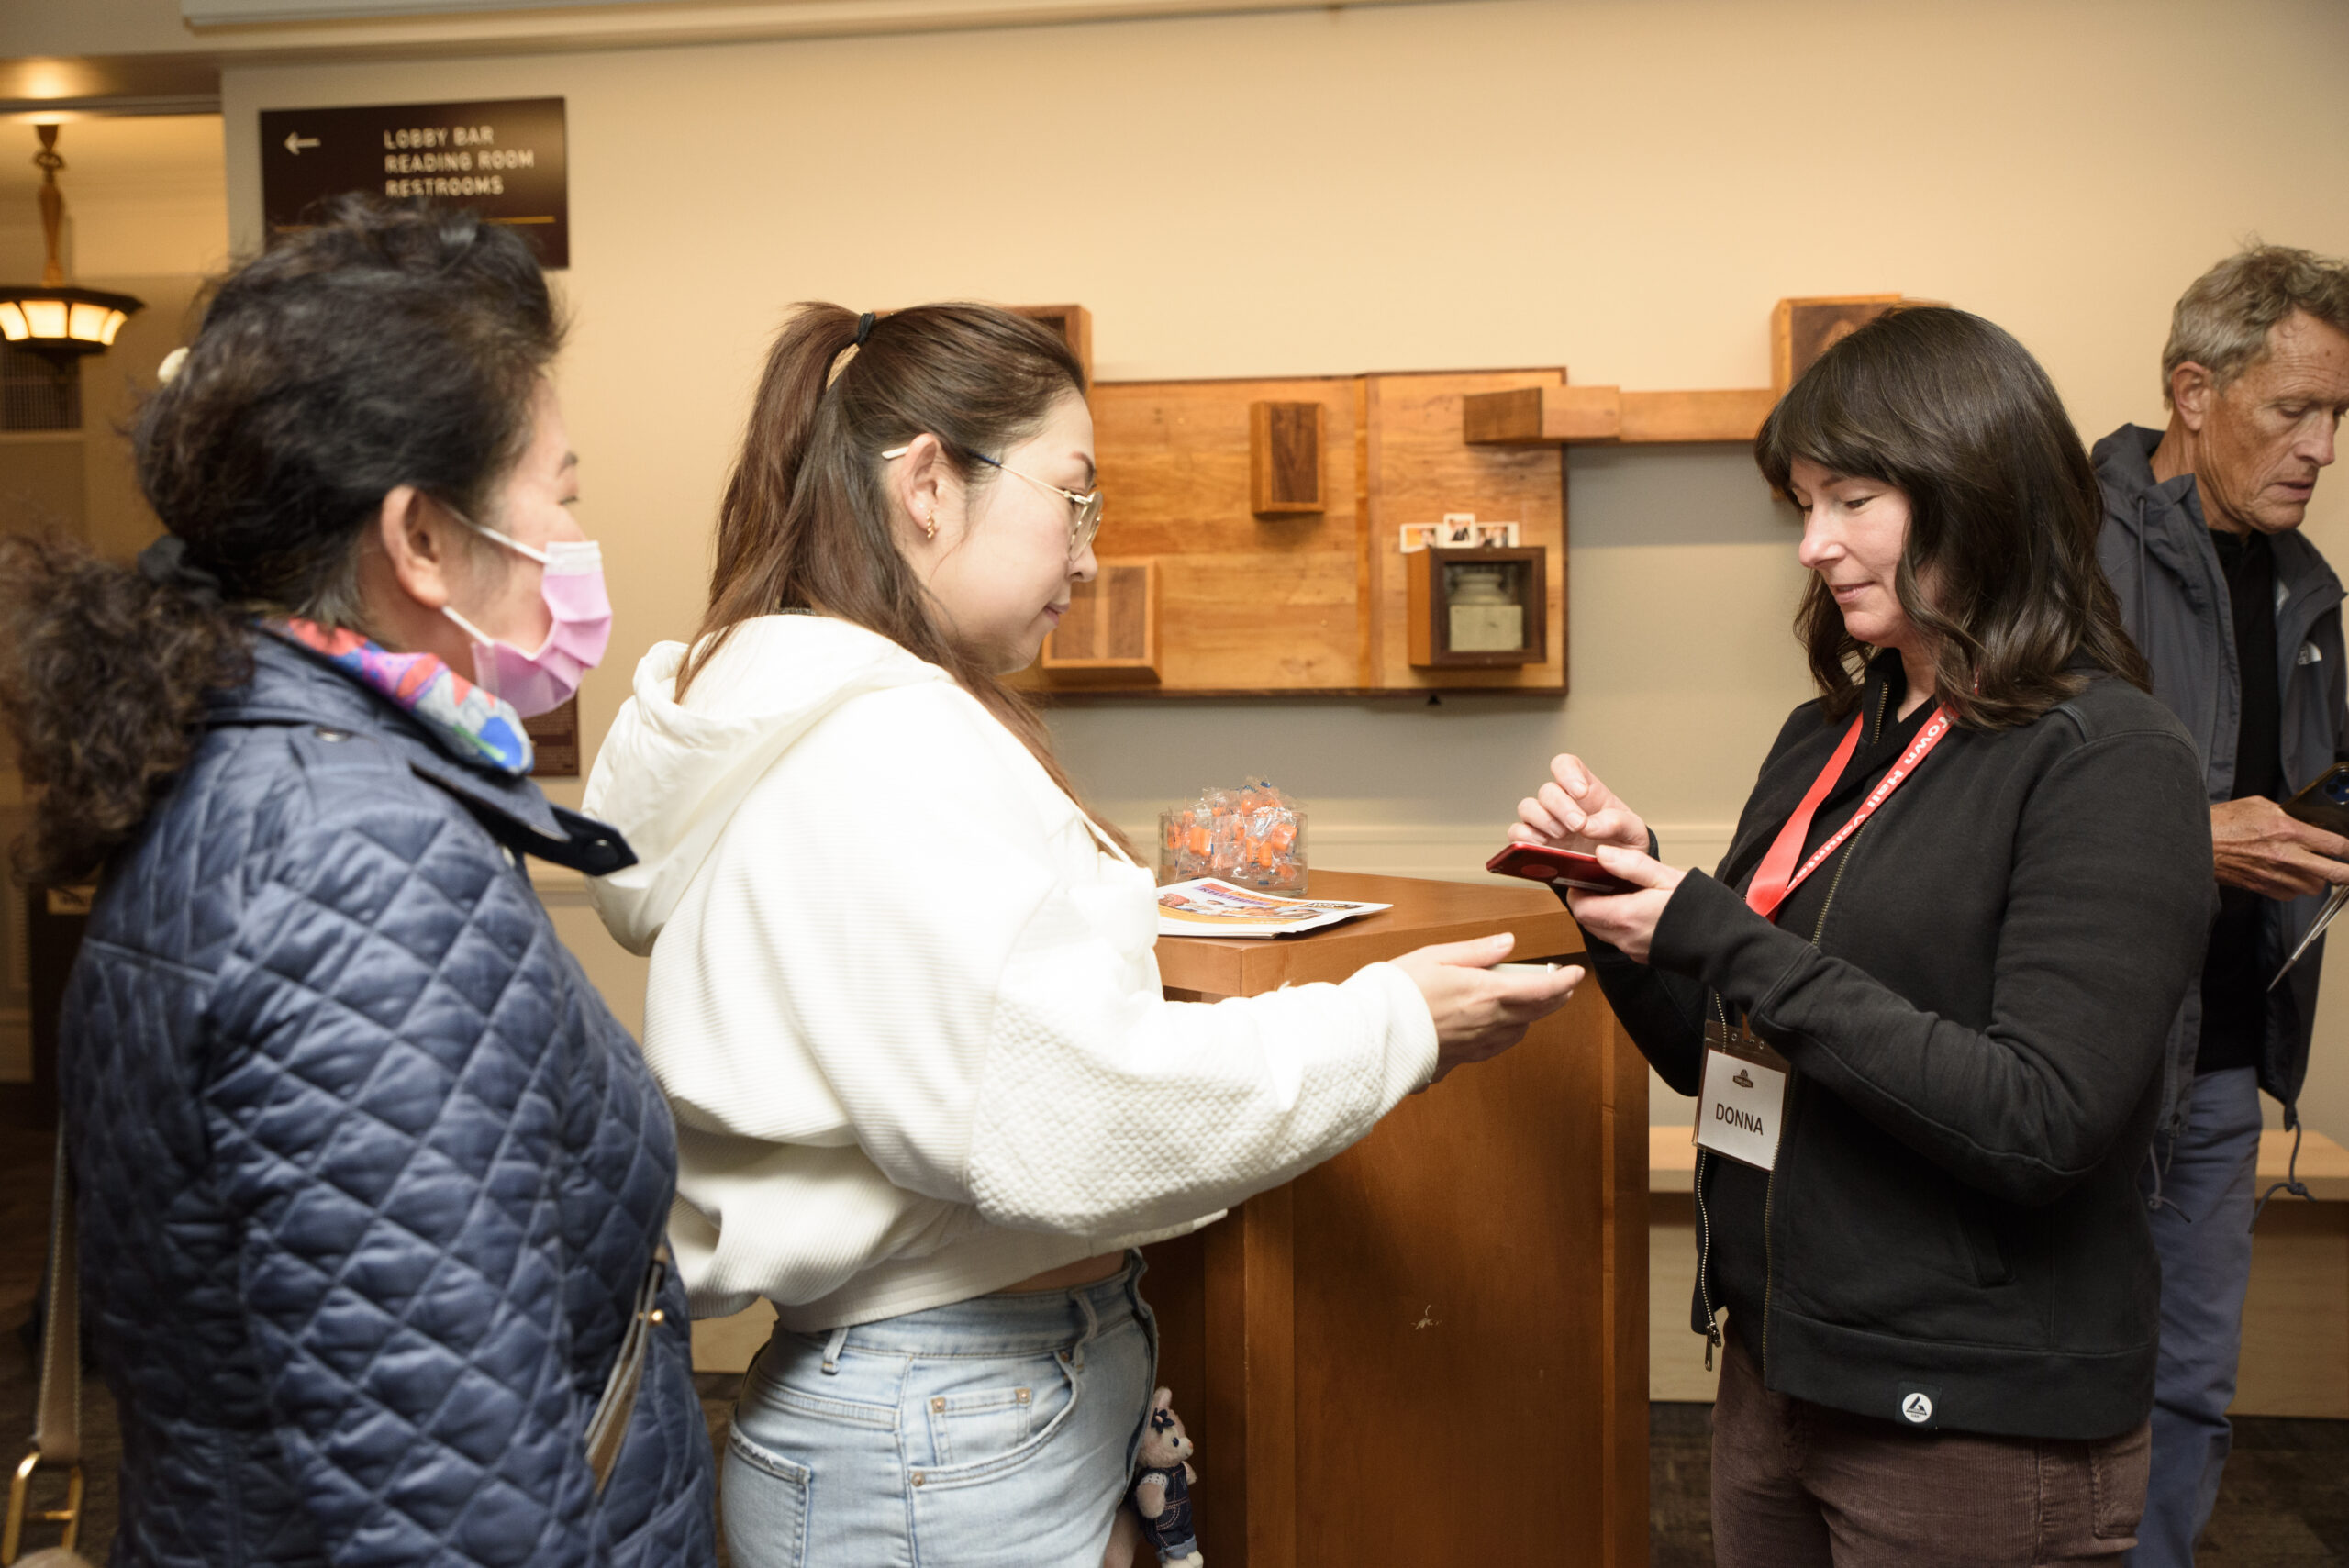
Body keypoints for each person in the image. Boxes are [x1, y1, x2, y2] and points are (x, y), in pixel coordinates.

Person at [581, 302, 1578, 1567]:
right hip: (944, 1418)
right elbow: (1071, 1113)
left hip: (945, 1405)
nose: (1088, 557)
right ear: (929, 484)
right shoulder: (885, 743)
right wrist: (1395, 1023)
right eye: (1075, 497)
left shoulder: (818, 715)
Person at [0, 199, 716, 1567]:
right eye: (559, 493)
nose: (575, 538)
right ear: (423, 542)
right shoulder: (358, 867)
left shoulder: (270, 774)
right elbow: (456, 1515)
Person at [1512, 307, 2215, 1566]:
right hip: (1782, 1379)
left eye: (1851, 499)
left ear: (1975, 490)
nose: (1812, 544)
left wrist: (1723, 934)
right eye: (1801, 502)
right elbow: (1715, 1053)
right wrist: (1621, 905)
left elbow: (2043, 1119)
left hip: (1977, 1427)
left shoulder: (2112, 758)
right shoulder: (1826, 734)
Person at [2090, 244, 2349, 1567]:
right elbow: (1991, 801)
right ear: (2194, 392)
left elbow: (2297, 790)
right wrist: (2196, 840)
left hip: (2229, 1052)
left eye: (2338, 419)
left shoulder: (2307, 584)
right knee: (2068, 1384)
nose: (2320, 449)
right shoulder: (2065, 548)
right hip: (2087, 1054)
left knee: (2192, 1386)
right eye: (2292, 411)